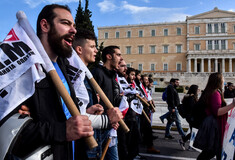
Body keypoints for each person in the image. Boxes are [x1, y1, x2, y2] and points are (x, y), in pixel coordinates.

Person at [8, 4, 93, 159]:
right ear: (45, 25)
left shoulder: (63, 67)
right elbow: (11, 134)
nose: (73, 30)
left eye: (73, 25)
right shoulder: (25, 71)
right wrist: (62, 131)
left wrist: (89, 114)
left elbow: (67, 115)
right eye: (66, 23)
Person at [71, 29, 123, 159]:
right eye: (92, 47)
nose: (96, 51)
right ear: (79, 49)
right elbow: (70, 113)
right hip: (85, 141)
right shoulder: (75, 77)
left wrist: (92, 109)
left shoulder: (87, 75)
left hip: (97, 133)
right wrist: (107, 120)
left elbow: (81, 109)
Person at [92, 45, 123, 160]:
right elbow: (94, 103)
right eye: (118, 55)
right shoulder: (97, 73)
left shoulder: (112, 75)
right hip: (99, 128)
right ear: (109, 56)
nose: (121, 58)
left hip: (110, 125)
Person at [196, 73, 235, 160]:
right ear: (219, 80)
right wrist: (232, 105)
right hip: (214, 125)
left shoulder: (211, 91)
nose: (224, 80)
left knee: (213, 150)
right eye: (223, 78)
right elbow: (217, 111)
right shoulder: (215, 93)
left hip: (212, 124)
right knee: (212, 150)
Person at [178, 85, 199, 150]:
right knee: (194, 131)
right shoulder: (191, 98)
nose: (198, 91)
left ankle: (185, 141)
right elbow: (192, 108)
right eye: (197, 89)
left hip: (190, 117)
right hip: (191, 117)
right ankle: (186, 143)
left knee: (194, 131)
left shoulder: (189, 97)